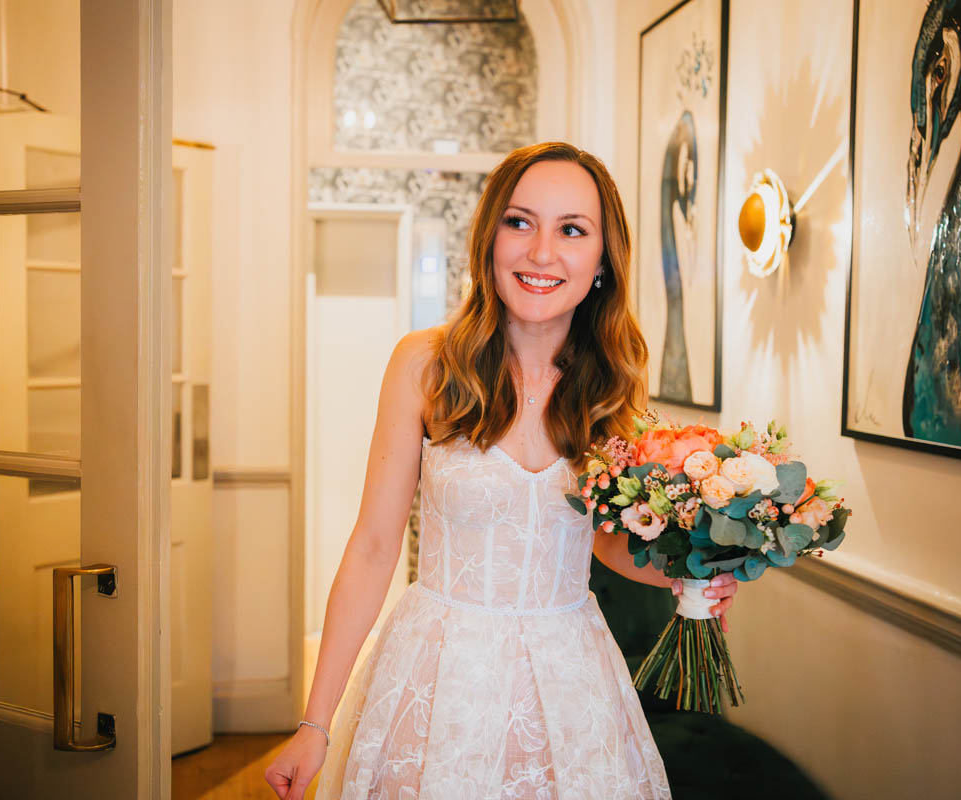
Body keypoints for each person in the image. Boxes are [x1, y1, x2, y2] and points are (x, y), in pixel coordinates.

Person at [265, 142, 738, 799]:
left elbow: (606, 542)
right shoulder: (425, 366)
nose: (542, 252)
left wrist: (694, 567)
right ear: (489, 238)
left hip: (570, 681)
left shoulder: (612, 385)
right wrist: (315, 724)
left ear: (601, 261)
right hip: (437, 676)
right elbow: (374, 549)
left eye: (572, 230)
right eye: (520, 222)